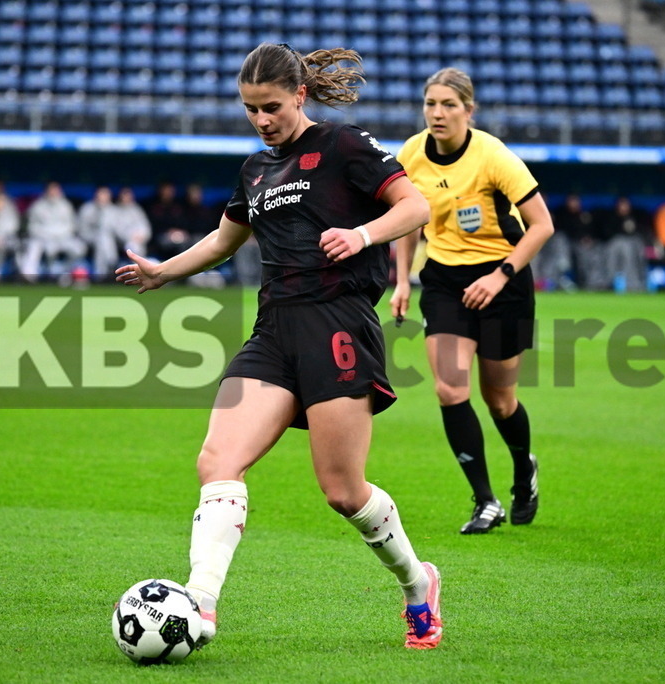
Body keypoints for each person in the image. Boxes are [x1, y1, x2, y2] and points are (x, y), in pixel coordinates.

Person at [116, 42, 442, 650]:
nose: (262, 120)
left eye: (270, 107)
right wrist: (164, 271)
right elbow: (222, 241)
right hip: (273, 332)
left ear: (299, 94)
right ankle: (200, 605)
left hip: (338, 324)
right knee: (217, 462)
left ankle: (418, 583)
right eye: (249, 110)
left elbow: (417, 205)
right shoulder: (255, 169)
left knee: (344, 491)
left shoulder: (345, 146)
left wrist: (362, 232)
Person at [391, 68, 554, 535]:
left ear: (469, 110)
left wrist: (500, 277)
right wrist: (402, 280)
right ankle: (485, 500)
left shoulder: (493, 155)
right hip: (443, 281)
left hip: (504, 279)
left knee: (500, 400)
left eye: (448, 105)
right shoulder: (411, 154)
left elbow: (541, 224)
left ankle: (524, 469)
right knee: (449, 389)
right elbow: (406, 221)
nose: (437, 113)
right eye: (430, 104)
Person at [19, 181, 84, 282]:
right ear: (46, 191)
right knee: (33, 246)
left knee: (79, 248)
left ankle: (64, 272)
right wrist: (47, 235)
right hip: (42, 239)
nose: (53, 192)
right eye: (51, 190)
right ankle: (29, 276)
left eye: (56, 190)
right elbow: (32, 227)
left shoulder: (66, 206)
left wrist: (58, 235)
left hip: (63, 238)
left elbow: (71, 226)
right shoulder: (37, 206)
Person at [553, 193, 608, 290]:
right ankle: (563, 277)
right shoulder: (563, 215)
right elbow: (563, 232)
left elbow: (592, 231)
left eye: (576, 201)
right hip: (569, 245)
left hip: (584, 246)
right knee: (561, 242)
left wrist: (588, 239)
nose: (574, 204)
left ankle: (593, 283)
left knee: (594, 252)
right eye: (571, 201)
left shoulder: (584, 216)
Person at [602, 196, 651, 292]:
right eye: (622, 204)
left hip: (634, 244)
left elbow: (642, 233)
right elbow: (607, 234)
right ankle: (612, 283)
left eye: (626, 204)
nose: (624, 207)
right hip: (616, 245)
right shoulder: (612, 218)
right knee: (623, 250)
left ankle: (639, 282)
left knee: (636, 249)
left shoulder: (636, 217)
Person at [78, 186, 121, 278]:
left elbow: (119, 231)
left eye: (106, 194)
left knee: (104, 239)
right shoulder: (87, 208)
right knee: (101, 238)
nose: (103, 196)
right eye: (101, 193)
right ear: (96, 195)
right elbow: (82, 229)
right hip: (88, 238)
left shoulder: (114, 210)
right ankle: (109, 266)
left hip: (110, 241)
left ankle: (103, 272)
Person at [146, 180, 189, 260]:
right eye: (166, 189)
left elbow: (184, 223)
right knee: (167, 244)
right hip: (160, 237)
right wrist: (168, 232)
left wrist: (179, 231)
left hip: (178, 235)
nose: (168, 192)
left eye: (171, 190)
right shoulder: (152, 206)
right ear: (160, 191)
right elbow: (152, 226)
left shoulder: (178, 206)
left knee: (187, 243)